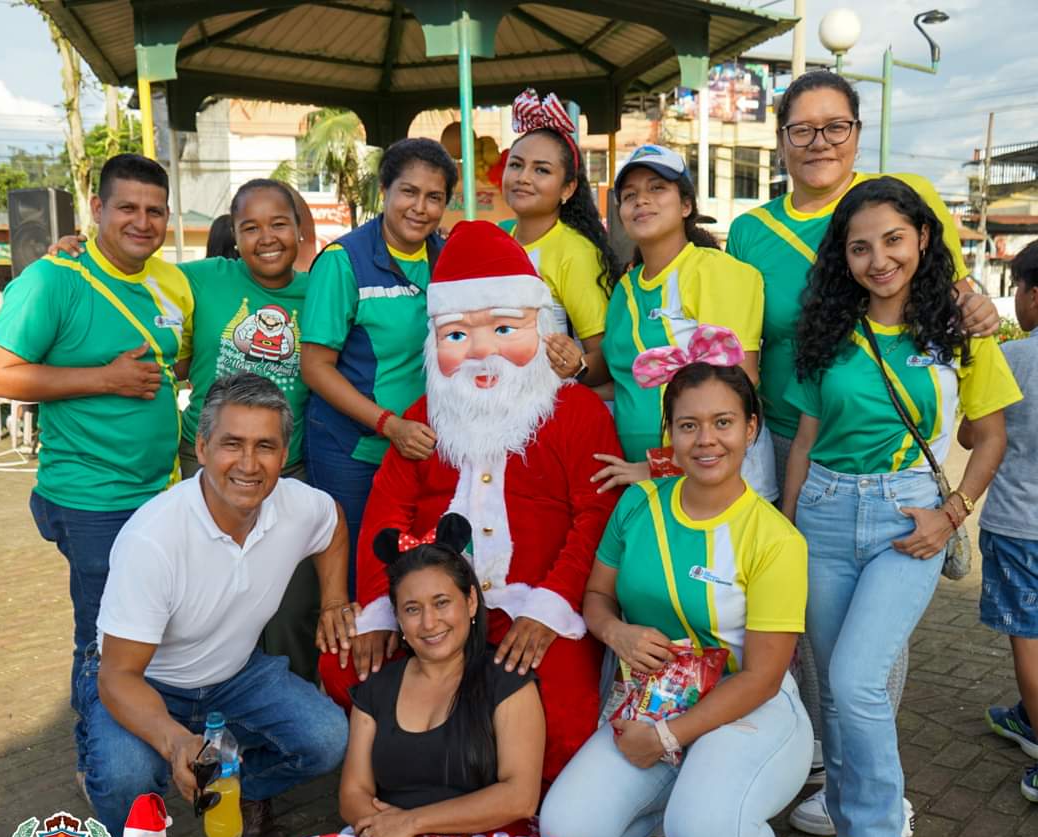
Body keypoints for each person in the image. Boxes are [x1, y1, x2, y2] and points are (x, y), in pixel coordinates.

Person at [724, 70, 1002, 835]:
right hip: (792, 440)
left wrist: (978, 303)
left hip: (890, 450)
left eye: (835, 125)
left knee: (867, 652)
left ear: (856, 129)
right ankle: (825, 756)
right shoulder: (750, 231)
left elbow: (951, 289)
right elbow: (745, 339)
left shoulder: (903, 197)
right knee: (808, 624)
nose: (819, 142)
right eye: (802, 128)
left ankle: (865, 771)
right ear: (781, 139)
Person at [781, 178, 1020, 837]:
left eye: (892, 239)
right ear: (843, 258)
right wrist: (787, 529)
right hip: (822, 516)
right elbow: (806, 441)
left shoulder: (960, 328)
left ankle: (883, 836)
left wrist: (952, 515)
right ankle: (850, 830)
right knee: (833, 688)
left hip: (908, 519)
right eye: (860, 247)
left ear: (921, 238)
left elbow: (991, 437)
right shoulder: (827, 331)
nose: (878, 259)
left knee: (857, 680)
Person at [318, 220, 623, 784]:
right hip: (433, 609)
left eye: (505, 328)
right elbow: (386, 514)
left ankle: (518, 807)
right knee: (347, 667)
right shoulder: (423, 418)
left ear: (541, 328)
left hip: (531, 603)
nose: (483, 351)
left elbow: (597, 518)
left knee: (561, 706)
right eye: (457, 335)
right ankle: (423, 779)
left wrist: (549, 608)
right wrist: (384, 609)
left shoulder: (576, 412)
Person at [540, 327, 812, 837]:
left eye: (723, 422)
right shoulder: (639, 503)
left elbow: (763, 677)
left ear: (751, 428)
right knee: (567, 834)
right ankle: (689, 813)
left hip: (748, 707)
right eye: (688, 425)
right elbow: (595, 597)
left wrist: (666, 740)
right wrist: (616, 633)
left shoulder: (776, 539)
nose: (706, 439)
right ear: (669, 435)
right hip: (654, 698)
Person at [253, 514, 632, 837]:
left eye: (441, 603)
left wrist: (412, 821)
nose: (429, 623)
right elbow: (354, 796)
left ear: (470, 602)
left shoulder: (506, 680)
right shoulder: (378, 688)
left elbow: (519, 797)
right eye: (412, 609)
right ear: (398, 618)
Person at [84, 373, 350, 837]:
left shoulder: (298, 505)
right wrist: (177, 742)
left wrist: (333, 601)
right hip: (146, 682)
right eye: (232, 443)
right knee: (125, 773)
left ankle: (239, 790)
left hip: (236, 672)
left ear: (284, 455)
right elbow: (118, 676)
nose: (248, 464)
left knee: (327, 738)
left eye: (265, 446)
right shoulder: (153, 538)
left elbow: (334, 524)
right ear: (202, 448)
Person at [49, 178, 321, 678]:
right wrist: (78, 251)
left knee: (290, 610)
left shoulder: (320, 290)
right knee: (210, 602)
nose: (266, 238)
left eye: (279, 224)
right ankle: (207, 701)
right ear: (234, 234)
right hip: (207, 463)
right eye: (250, 227)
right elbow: (127, 266)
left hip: (287, 468)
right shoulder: (199, 279)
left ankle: (287, 705)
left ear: (299, 230)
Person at [0, 153, 194, 790]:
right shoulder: (53, 280)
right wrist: (105, 379)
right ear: (97, 209)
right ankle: (97, 765)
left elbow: (177, 363)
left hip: (161, 493)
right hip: (91, 499)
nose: (142, 221)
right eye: (126, 207)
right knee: (104, 638)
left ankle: (143, 742)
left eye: (155, 210)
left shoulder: (173, 282)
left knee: (156, 632)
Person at [301, 137, 458, 595]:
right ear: (385, 190)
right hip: (352, 450)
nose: (420, 208)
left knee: (417, 573)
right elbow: (315, 367)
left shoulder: (447, 258)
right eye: (409, 192)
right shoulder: (343, 262)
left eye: (434, 197)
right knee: (358, 577)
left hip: (423, 449)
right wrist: (389, 424)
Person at [591, 144, 777, 502]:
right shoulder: (625, 289)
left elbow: (738, 388)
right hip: (649, 482)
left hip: (720, 480)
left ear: (686, 206)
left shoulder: (716, 272)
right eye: (629, 195)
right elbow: (628, 384)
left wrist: (657, 466)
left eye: (657, 188)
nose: (642, 200)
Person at [964, 240, 1038, 803]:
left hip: (1019, 525)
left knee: (1029, 639)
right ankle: (1026, 717)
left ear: (1034, 296)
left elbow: (971, 436)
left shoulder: (1012, 359)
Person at [497, 88, 625, 387]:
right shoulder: (499, 236)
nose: (523, 177)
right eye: (515, 165)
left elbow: (605, 359)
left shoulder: (575, 252)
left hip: (552, 406)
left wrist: (576, 365)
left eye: (541, 170)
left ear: (567, 189)